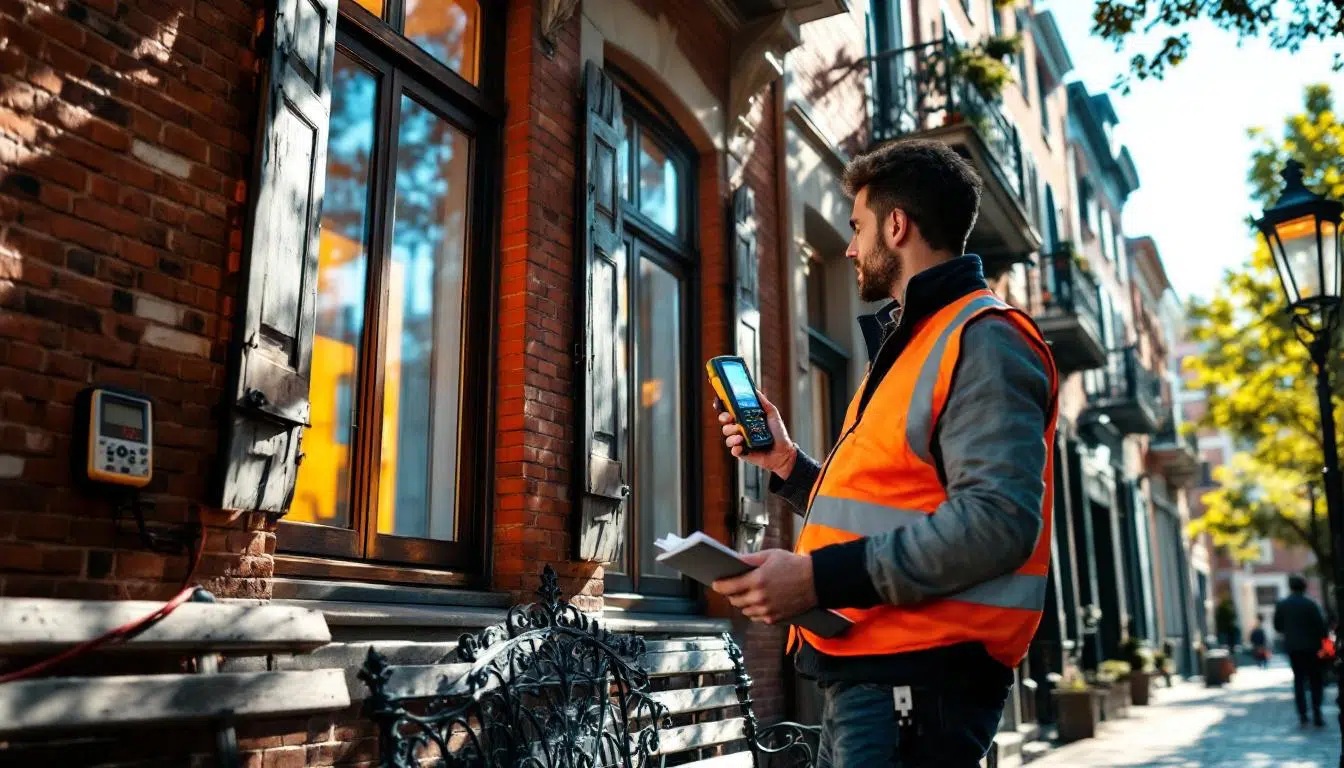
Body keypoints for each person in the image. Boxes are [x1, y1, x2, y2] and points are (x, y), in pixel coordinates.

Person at [710, 139, 1058, 766]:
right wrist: (789, 466)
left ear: (895, 226)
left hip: (918, 686)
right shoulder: (914, 342)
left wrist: (816, 577)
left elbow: (997, 523)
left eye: (856, 226)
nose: (848, 247)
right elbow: (891, 502)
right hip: (874, 674)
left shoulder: (985, 339)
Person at [1273, 575, 1327, 727]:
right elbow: (1321, 627)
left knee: (1299, 680)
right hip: (1312, 648)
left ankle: (1303, 714)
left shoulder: (1283, 604)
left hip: (1293, 648)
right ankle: (1317, 711)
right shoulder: (1311, 604)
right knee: (1315, 680)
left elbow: (1277, 626)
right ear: (1304, 587)